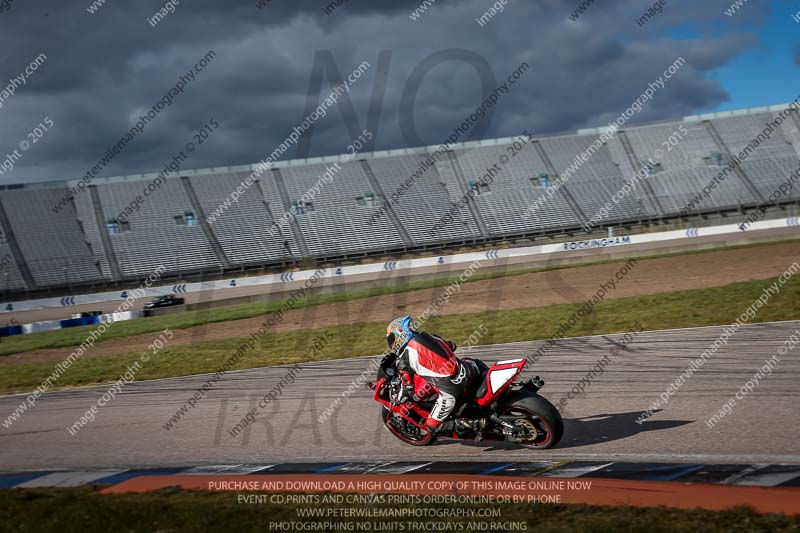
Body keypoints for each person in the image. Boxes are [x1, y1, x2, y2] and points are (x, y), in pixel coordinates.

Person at [386, 316, 485, 435]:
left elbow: (407, 389)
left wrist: (397, 400)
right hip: (469, 369)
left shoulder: (403, 361)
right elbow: (452, 345)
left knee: (431, 426)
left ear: (399, 335)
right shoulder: (432, 337)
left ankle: (474, 424)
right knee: (469, 360)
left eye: (392, 339)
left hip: (453, 389)